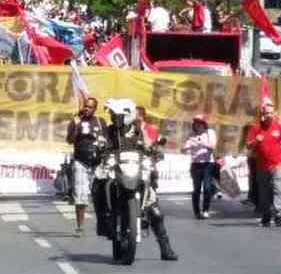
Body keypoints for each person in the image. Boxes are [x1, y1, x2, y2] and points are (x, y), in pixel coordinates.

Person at [94, 99, 178, 261]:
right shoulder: (108, 131)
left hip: (136, 169)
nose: (111, 117)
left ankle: (165, 248)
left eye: (114, 114)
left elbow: (148, 146)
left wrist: (155, 150)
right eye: (111, 114)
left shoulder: (139, 130)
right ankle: (102, 222)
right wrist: (99, 148)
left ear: (124, 115)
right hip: (116, 168)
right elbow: (101, 144)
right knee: (97, 183)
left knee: (155, 209)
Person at [246, 100, 281, 227]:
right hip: (262, 166)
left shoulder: (280, 127)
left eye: (271, 113)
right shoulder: (256, 128)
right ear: (262, 114)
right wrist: (256, 140)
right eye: (267, 113)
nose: (269, 115)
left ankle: (279, 216)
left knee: (278, 189)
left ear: (275, 113)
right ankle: (266, 217)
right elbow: (248, 146)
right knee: (264, 192)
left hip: (277, 164)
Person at [65, 96, 105, 236]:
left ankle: (103, 225)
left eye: (90, 107)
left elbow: (107, 140)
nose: (87, 109)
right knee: (80, 196)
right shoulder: (76, 121)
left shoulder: (100, 122)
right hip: (81, 162)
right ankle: (80, 226)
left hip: (97, 164)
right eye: (85, 106)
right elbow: (69, 140)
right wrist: (76, 126)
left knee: (100, 196)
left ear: (95, 109)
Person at [183, 115, 216, 219]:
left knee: (207, 187)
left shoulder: (210, 132)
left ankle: (205, 210)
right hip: (195, 164)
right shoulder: (191, 134)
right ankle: (196, 211)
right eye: (196, 122)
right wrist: (188, 146)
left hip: (208, 163)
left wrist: (203, 142)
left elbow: (213, 146)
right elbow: (183, 148)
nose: (197, 125)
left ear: (204, 124)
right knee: (196, 189)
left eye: (200, 122)